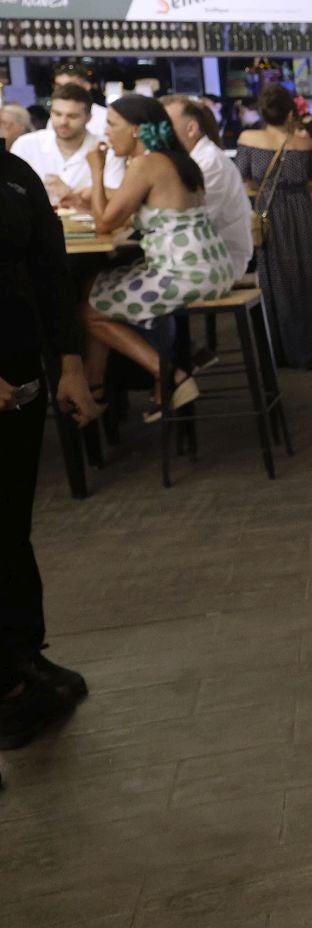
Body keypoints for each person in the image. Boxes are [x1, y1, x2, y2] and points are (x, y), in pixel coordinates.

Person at [0, 150, 101, 754]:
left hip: (24, 382)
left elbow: (49, 271)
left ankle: (22, 659)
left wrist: (70, 365)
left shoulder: (14, 175)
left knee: (11, 527)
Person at [80, 96, 236, 421]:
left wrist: (95, 171)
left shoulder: (147, 164)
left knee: (89, 312)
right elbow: (128, 210)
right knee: (93, 284)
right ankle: (98, 387)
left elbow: (105, 223)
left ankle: (167, 373)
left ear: (136, 130)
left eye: (111, 125)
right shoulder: (177, 160)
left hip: (183, 275)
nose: (105, 133)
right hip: (212, 269)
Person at [236, 85, 312, 369]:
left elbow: (244, 180)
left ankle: (279, 349)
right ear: (291, 111)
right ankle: (311, 348)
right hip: (303, 212)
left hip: (269, 211)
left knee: (276, 278)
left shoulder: (248, 137)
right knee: (308, 278)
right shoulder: (302, 142)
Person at [163, 95, 254, 279]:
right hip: (193, 256)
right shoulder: (191, 160)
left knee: (105, 290)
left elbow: (184, 222)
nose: (159, 132)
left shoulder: (210, 163)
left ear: (191, 128)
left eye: (166, 125)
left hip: (216, 262)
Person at [11, 85, 101, 207]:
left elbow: (114, 206)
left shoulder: (104, 149)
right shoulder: (26, 144)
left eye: (72, 116)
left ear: (88, 117)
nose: (63, 122)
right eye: (57, 114)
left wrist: (69, 194)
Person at [52, 69, 109, 136]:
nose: (63, 122)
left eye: (73, 116)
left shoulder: (105, 116)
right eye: (58, 86)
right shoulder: (40, 138)